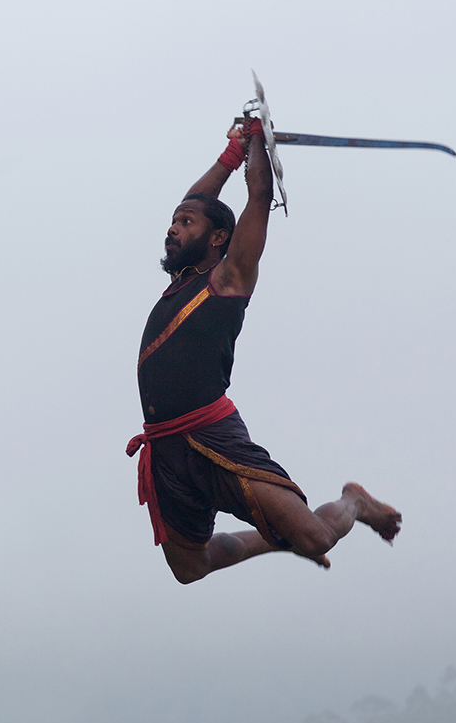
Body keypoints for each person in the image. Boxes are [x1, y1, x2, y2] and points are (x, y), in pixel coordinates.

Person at [126, 117, 401, 584]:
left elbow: (256, 198)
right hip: (165, 445)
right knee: (191, 568)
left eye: (185, 223)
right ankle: (279, 544)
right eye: (173, 221)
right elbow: (199, 202)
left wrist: (258, 143)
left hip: (212, 435)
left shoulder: (228, 279)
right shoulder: (182, 280)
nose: (172, 228)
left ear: (217, 238)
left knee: (314, 536)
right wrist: (231, 153)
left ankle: (354, 501)